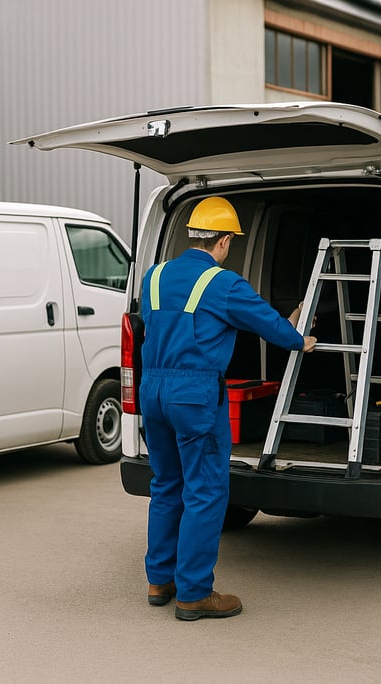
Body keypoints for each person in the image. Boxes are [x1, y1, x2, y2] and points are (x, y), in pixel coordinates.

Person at [138, 197, 317, 620]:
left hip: (152, 391)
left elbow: (155, 324)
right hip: (194, 394)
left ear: (191, 236)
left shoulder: (154, 276)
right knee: (205, 491)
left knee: (166, 485)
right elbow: (268, 324)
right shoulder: (223, 283)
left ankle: (159, 580)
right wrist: (298, 337)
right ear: (223, 242)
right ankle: (194, 593)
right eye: (230, 243)